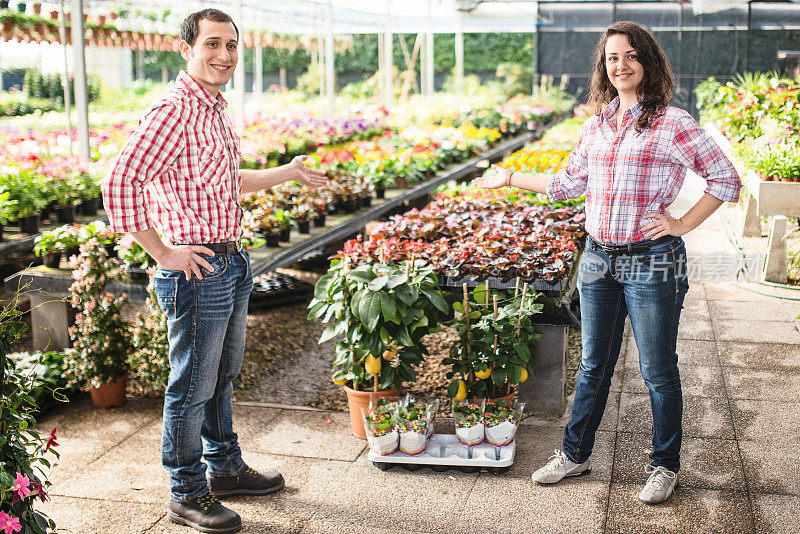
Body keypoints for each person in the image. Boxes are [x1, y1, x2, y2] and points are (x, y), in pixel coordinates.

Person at [474, 21, 740, 504]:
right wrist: (509, 177)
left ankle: (664, 466)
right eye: (613, 57)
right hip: (597, 260)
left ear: (648, 63)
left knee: (657, 369)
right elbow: (566, 185)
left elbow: (725, 179)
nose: (621, 65)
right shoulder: (595, 124)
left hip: (652, 261)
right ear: (604, 66)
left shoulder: (673, 122)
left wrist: (680, 224)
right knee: (594, 363)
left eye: (631, 55)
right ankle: (575, 454)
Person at [102, 9, 327, 533]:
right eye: (212, 44)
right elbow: (119, 182)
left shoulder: (214, 108)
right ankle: (186, 490)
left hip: (230, 260)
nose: (224, 55)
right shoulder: (173, 109)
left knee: (221, 378)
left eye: (231, 45)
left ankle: (224, 468)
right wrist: (163, 254)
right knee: (191, 385)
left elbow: (226, 181)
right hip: (196, 268)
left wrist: (287, 173)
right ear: (186, 48)